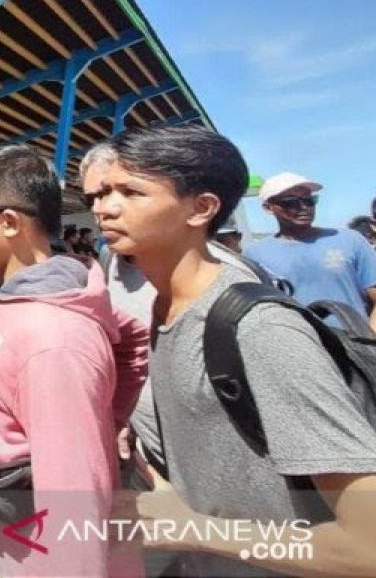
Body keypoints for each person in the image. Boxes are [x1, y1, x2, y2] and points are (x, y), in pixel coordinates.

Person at [95, 125, 376, 577]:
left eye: (130, 192)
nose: (103, 208)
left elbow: (367, 548)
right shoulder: (164, 310)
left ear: (201, 208)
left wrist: (197, 530)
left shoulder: (258, 329)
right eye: (103, 192)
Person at [0, 144, 148, 577]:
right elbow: (133, 337)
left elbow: (75, 511)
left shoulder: (51, 339)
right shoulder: (41, 291)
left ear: (9, 222)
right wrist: (110, 420)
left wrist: (103, 424)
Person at [245, 172, 376, 330]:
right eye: (291, 202)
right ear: (268, 207)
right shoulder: (255, 255)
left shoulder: (350, 240)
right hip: (299, 349)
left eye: (309, 200)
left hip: (357, 347)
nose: (303, 207)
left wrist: (370, 339)